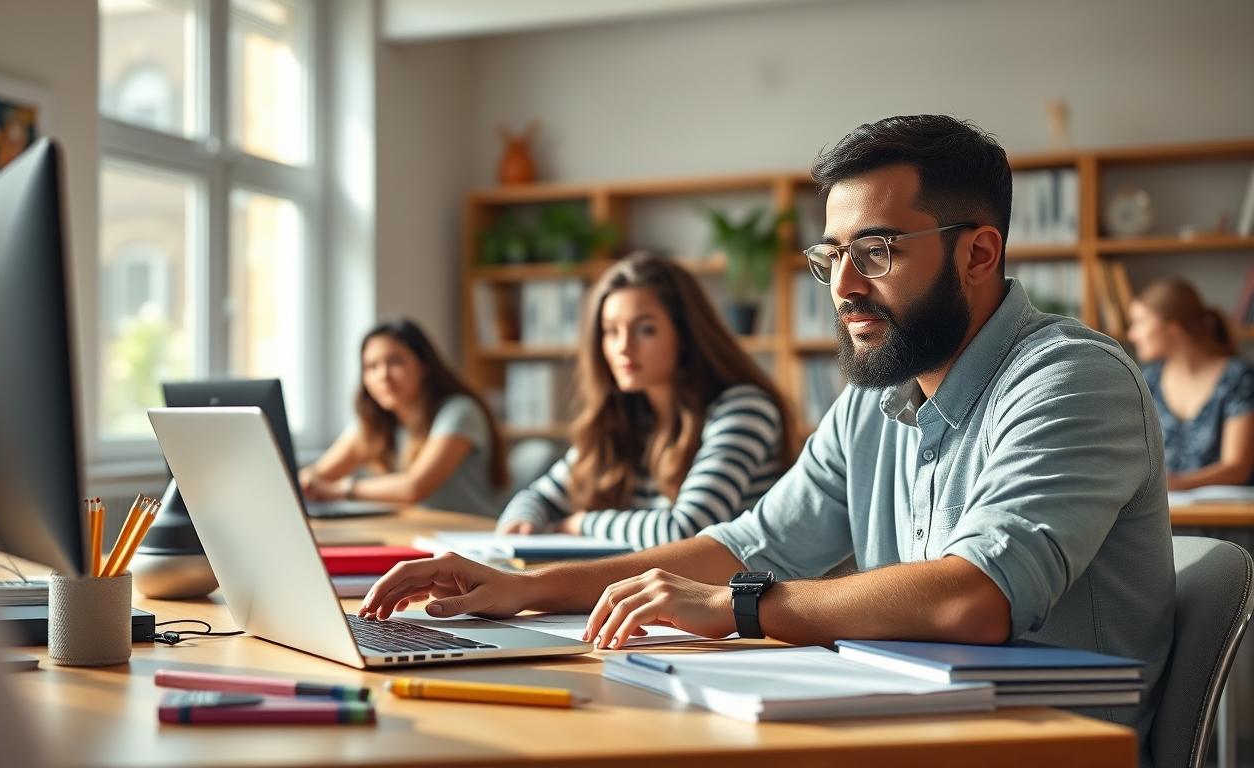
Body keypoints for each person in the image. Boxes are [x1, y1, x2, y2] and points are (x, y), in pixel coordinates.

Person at [361, 116, 1174, 762]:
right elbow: (746, 544)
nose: (847, 287)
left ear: (980, 252)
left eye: (878, 252)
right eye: (833, 257)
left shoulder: (1071, 377)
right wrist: (523, 587)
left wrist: (739, 608)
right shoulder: (876, 399)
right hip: (917, 725)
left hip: (1046, 746)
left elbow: (973, 596)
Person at [496, 253, 798, 549]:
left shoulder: (744, 409)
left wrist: (580, 524)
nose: (623, 347)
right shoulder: (630, 418)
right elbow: (538, 498)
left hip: (730, 594)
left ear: (685, 335)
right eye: (611, 331)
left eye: (645, 329)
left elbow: (687, 531)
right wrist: (523, 523)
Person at [298, 319, 507, 517]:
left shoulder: (460, 412)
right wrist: (307, 481)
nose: (383, 376)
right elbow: (318, 475)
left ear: (424, 365)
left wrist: (341, 490)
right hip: (419, 532)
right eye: (371, 367)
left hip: (473, 539)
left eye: (395, 362)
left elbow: (413, 487)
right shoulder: (374, 424)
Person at [1127, 278, 1254, 489]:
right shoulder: (1148, 380)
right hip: (1165, 515)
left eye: (1140, 322)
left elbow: (1237, 468)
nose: (1132, 334)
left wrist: (1177, 484)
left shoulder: (1238, 377)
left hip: (1228, 515)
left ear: (1173, 327)